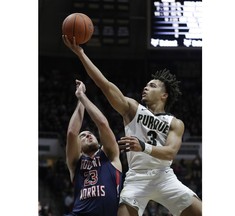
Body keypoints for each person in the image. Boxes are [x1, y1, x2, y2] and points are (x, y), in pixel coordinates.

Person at [63, 36, 202, 216]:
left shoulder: (175, 123)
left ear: (164, 95)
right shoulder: (132, 109)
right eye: (146, 85)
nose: (146, 87)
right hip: (137, 177)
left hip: (163, 175)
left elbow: (170, 152)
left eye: (152, 86)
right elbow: (104, 85)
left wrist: (143, 147)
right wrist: (81, 54)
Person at [66, 79, 122, 216]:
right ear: (78, 147)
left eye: (91, 134)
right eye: (83, 136)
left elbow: (102, 123)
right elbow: (72, 133)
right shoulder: (75, 163)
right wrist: (80, 99)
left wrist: (82, 97)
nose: (89, 135)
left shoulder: (109, 154)